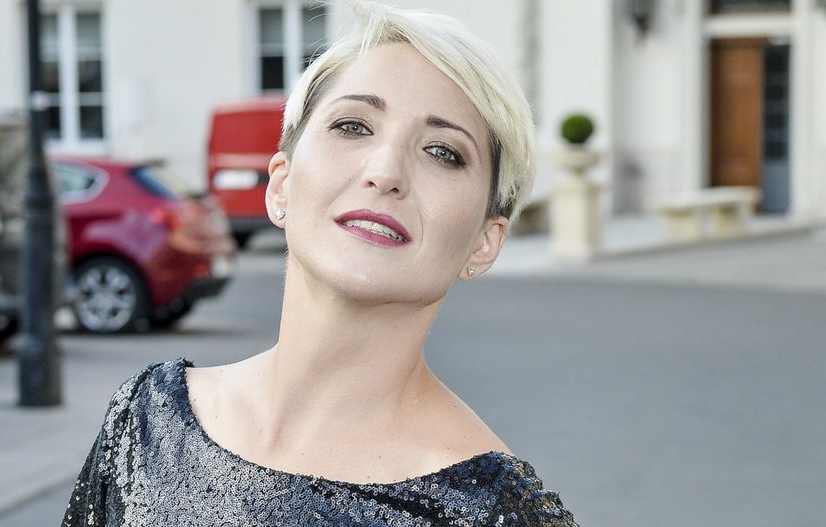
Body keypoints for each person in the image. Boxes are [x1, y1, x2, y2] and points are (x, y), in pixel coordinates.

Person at [62, 2, 578, 526]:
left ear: (485, 242)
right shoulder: (146, 421)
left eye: (443, 152)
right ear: (281, 185)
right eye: (354, 126)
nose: (385, 172)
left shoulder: (494, 513)